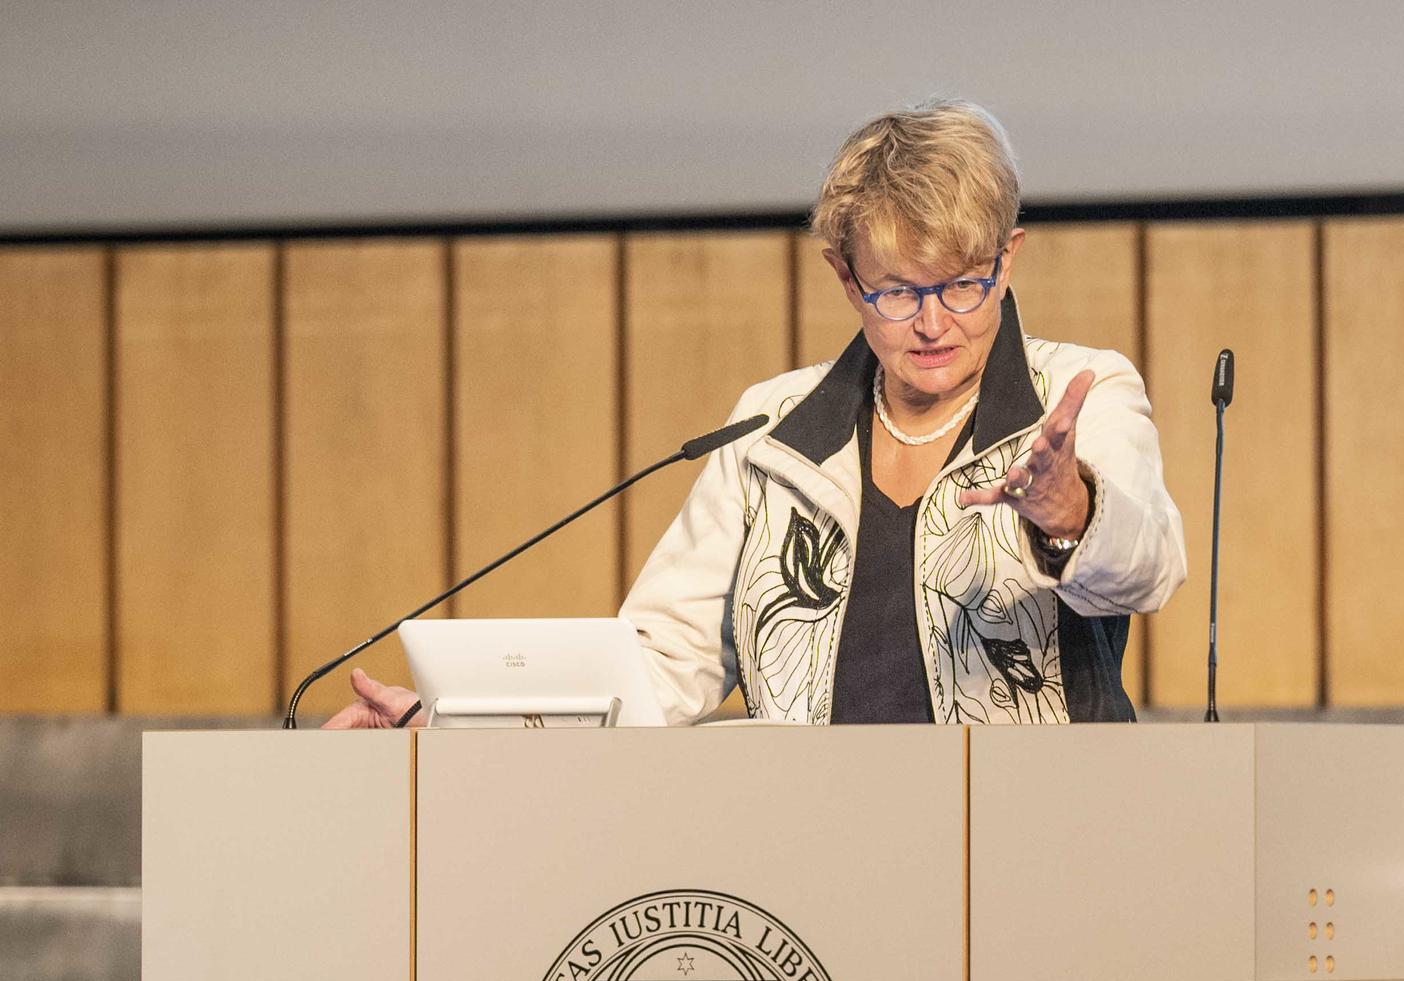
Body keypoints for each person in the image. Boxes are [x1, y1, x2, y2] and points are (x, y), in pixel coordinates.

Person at [328, 99, 1184, 728]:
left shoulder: (1076, 394)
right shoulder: (771, 431)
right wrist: (446, 725)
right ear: (846, 278)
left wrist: (1070, 510)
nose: (932, 321)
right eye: (896, 290)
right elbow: (660, 667)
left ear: (1009, 259)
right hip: (810, 862)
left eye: (962, 282)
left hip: (1038, 849)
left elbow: (1149, 568)